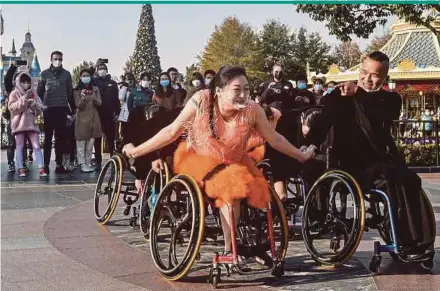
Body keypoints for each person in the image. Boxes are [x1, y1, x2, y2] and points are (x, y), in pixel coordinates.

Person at [123, 65, 315, 258]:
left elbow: (275, 139)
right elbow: (172, 132)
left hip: (234, 159)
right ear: (219, 91)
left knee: (257, 187)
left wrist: (300, 155)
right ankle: (230, 251)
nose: (243, 95)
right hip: (198, 159)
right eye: (237, 90)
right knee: (231, 185)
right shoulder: (201, 101)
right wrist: (137, 151)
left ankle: (248, 239)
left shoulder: (253, 109)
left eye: (247, 89)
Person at [308, 51, 435, 256]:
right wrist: (310, 144)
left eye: (375, 75)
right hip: (350, 164)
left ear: (384, 78)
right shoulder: (339, 96)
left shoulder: (390, 100)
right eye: (364, 72)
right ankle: (409, 241)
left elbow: (378, 112)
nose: (368, 78)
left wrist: (358, 93)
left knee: (410, 180)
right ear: (359, 70)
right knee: (394, 178)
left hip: (381, 162)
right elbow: (323, 121)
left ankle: (419, 242)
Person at [37, 51, 75, 174]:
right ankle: (46, 164)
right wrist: (40, 107)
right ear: (51, 59)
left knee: (60, 138)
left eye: (59, 59)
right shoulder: (44, 74)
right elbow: (39, 93)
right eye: (55, 59)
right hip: (48, 109)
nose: (57, 61)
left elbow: (70, 94)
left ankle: (59, 164)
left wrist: (73, 110)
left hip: (62, 109)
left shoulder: (67, 75)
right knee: (47, 138)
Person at [8, 72, 47, 177]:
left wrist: (34, 105)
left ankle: (41, 168)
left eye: (27, 82)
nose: (26, 84)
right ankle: (21, 168)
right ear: (19, 82)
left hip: (31, 124)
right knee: (19, 146)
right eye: (23, 82)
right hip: (19, 125)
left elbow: (40, 108)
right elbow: (12, 108)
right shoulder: (14, 93)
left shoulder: (34, 93)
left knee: (36, 146)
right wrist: (24, 99)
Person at [93, 60, 121, 170]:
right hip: (97, 114)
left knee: (110, 138)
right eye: (99, 68)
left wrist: (117, 113)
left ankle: (112, 158)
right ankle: (98, 161)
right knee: (97, 138)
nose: (102, 70)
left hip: (110, 114)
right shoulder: (94, 82)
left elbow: (116, 100)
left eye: (103, 68)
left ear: (107, 70)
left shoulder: (113, 83)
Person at [74, 69, 102, 172]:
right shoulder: (76, 90)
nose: (86, 77)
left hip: (94, 119)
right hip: (81, 120)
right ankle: (82, 164)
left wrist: (94, 98)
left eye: (88, 75)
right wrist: (83, 97)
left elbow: (100, 103)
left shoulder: (95, 89)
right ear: (80, 78)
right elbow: (78, 105)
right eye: (84, 76)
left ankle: (88, 162)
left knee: (90, 145)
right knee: (81, 144)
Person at [118, 72, 135, 147]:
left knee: (132, 135)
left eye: (131, 79)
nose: (130, 81)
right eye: (128, 79)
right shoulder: (123, 88)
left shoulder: (136, 89)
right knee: (123, 136)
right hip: (124, 116)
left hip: (134, 115)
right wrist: (124, 87)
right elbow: (121, 98)